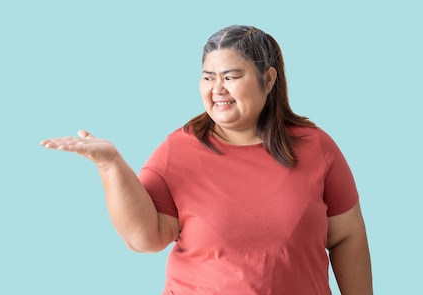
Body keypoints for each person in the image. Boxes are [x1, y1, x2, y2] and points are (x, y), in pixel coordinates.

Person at [40, 25, 373, 294]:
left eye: (230, 77)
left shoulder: (316, 147)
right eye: (208, 77)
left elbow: (346, 235)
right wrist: (110, 164)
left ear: (268, 79)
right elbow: (144, 238)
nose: (217, 89)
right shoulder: (177, 151)